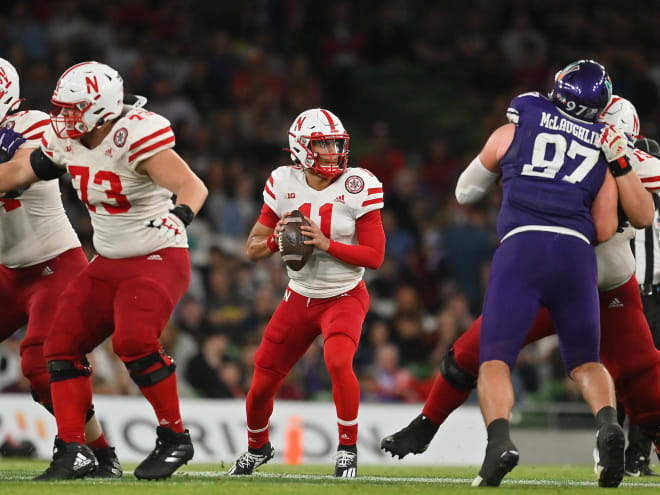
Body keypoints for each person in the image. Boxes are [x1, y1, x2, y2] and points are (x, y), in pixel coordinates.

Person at [382, 94, 660, 483]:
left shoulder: (618, 158)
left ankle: (445, 429)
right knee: (467, 353)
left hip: (581, 279)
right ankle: (425, 426)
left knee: (645, 383)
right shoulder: (616, 156)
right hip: (588, 276)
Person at [0, 61, 208, 480]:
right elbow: (26, 168)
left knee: (130, 341)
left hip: (153, 253)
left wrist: (181, 214)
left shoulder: (132, 133)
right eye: (62, 108)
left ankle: (174, 436)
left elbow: (193, 185)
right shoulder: (66, 136)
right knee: (59, 345)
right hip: (105, 260)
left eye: (73, 109)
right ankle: (75, 448)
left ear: (102, 107)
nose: (63, 118)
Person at [228, 108, 385, 478]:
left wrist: (326, 244)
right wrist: (276, 237)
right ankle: (257, 447)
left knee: (337, 360)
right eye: (323, 144)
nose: (333, 151)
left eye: (335, 143)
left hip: (345, 295)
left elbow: (375, 256)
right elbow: (252, 249)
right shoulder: (283, 182)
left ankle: (347, 450)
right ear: (300, 149)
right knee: (262, 379)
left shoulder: (359, 184)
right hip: (298, 296)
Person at [0, 58, 121, 478]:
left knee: (40, 362)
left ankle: (79, 446)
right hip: (7, 271)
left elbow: (21, 172)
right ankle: (102, 454)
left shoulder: (31, 123)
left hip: (53, 264)